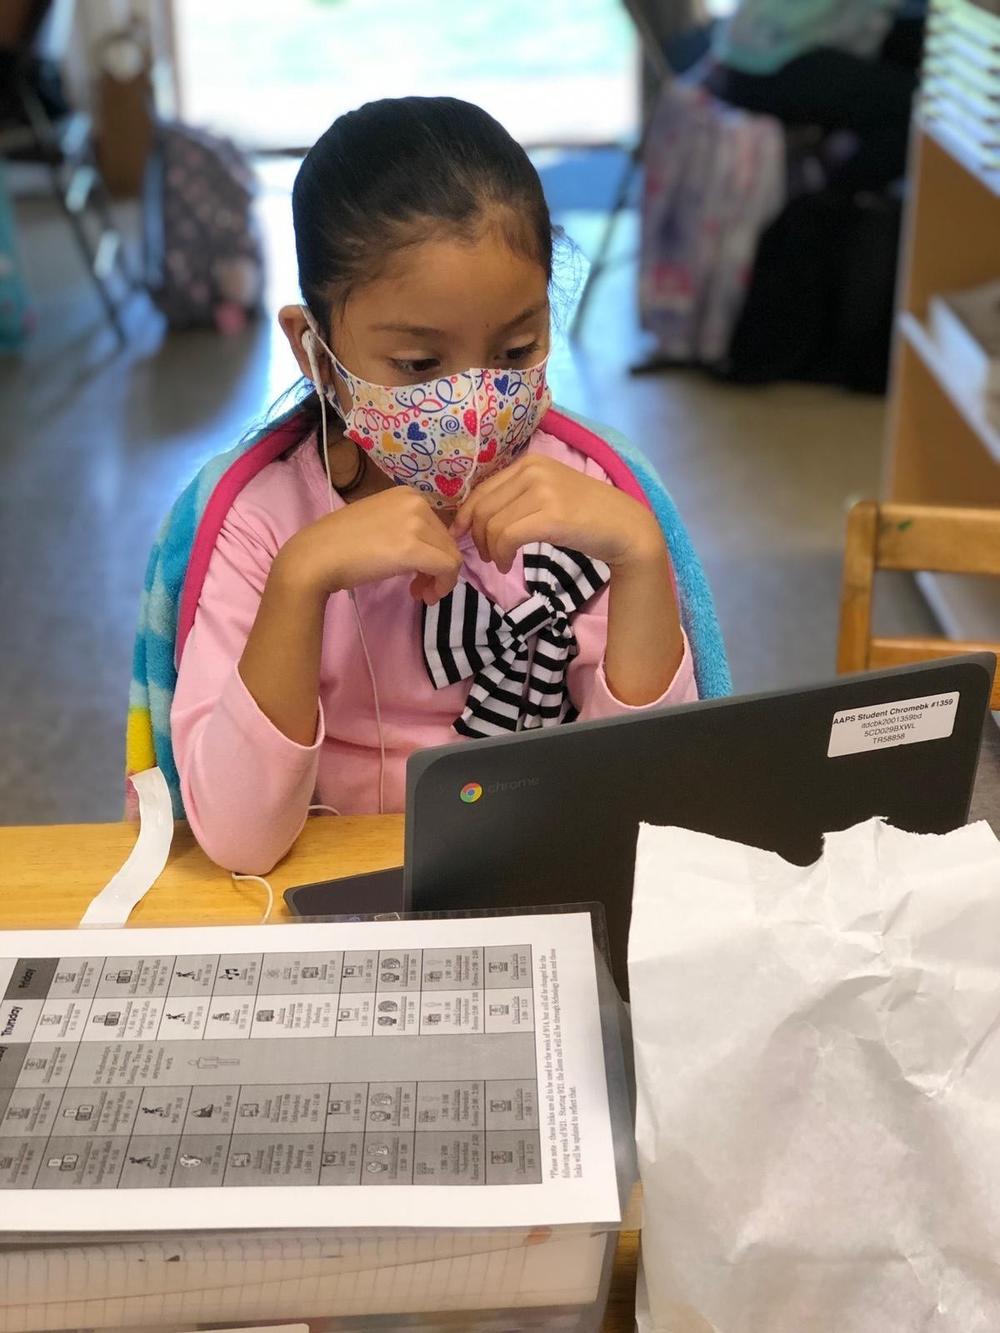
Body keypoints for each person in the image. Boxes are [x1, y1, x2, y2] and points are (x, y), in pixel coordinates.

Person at [171, 96, 697, 874]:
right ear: (315, 353)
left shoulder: (588, 504)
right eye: (419, 366)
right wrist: (299, 579)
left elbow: (658, 807)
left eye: (517, 347)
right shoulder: (262, 524)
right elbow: (240, 841)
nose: (474, 402)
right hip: (324, 897)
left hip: (533, 875)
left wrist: (643, 558)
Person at [710, 0, 926, 193]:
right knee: (914, 107)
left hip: (794, 38)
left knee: (924, 43)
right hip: (766, 60)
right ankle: (835, 198)